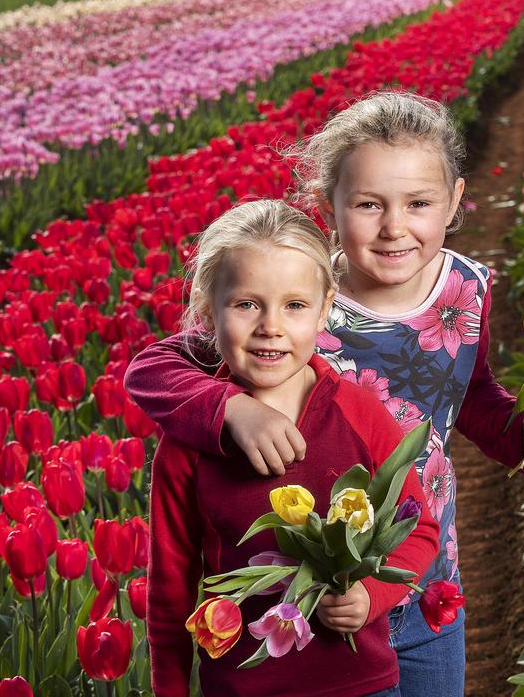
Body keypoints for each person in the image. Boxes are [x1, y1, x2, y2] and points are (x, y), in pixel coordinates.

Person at [128, 91, 524, 695]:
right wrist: (230, 407)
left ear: (453, 202)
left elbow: (468, 397)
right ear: (328, 205)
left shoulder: (466, 290)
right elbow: (153, 366)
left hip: (424, 578)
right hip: (314, 593)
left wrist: (522, 431)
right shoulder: (299, 301)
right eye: (369, 204)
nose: (395, 227)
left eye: (418, 203)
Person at [147, 200, 439, 697]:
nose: (270, 326)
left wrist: (370, 596)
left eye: (295, 306)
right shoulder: (187, 446)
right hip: (242, 687)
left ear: (326, 307)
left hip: (361, 686)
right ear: (206, 308)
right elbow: (170, 590)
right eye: (246, 304)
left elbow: (420, 530)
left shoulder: (360, 414)